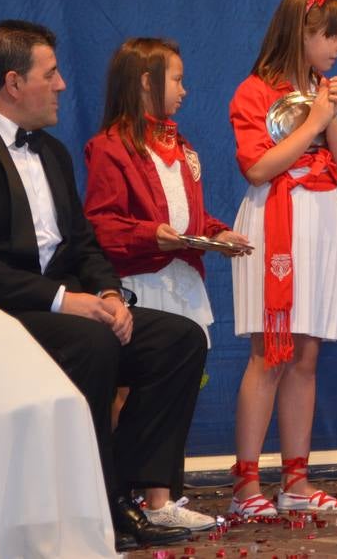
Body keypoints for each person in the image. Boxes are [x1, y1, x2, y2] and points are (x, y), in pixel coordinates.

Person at [0, 20, 205, 552]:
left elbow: (84, 243)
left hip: (65, 305)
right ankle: (95, 501)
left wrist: (108, 295)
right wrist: (64, 299)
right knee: (94, 343)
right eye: (50, 74)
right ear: (14, 83)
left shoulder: (52, 153)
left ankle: (119, 490)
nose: (61, 86)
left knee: (179, 340)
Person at [82, 36, 251, 531]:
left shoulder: (183, 148)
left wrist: (216, 233)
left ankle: (158, 498)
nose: (184, 89)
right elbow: (100, 224)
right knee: (125, 394)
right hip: (138, 282)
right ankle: (110, 492)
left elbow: (188, 218)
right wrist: (151, 235)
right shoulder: (109, 148)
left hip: (183, 281)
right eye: (176, 78)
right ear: (144, 82)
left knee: (175, 387)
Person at [227, 0, 337, 517]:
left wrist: (328, 120)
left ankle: (297, 481)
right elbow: (258, 166)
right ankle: (245, 485)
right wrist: (311, 121)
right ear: (299, 33)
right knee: (270, 353)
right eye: (330, 35)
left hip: (323, 219)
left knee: (306, 356)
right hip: (276, 219)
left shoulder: (333, 93)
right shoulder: (255, 91)